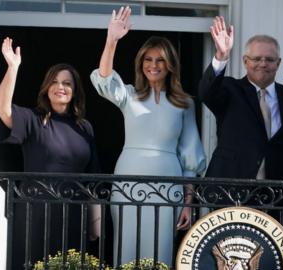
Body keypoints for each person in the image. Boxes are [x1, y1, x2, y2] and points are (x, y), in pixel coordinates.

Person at [90, 6, 206, 266]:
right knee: (127, 243)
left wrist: (188, 203)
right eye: (148, 60)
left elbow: (191, 156)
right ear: (141, 63)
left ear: (170, 65)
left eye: (160, 60)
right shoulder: (128, 95)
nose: (153, 65)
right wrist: (111, 40)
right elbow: (104, 81)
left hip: (169, 182)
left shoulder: (184, 103)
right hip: (128, 177)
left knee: (160, 247)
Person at [0, 37, 100, 268]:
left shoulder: (84, 127)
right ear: (47, 88)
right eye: (55, 82)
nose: (61, 87)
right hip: (35, 213)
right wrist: (13, 67)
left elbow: (94, 178)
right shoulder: (32, 119)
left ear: (75, 90)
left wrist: (96, 220)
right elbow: (2, 109)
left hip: (73, 213)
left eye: (67, 83)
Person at [198, 16, 283, 183]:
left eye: (269, 59)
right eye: (256, 58)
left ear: (278, 63)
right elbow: (206, 92)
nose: (263, 64)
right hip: (232, 187)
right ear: (245, 61)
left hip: (278, 192)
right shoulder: (230, 89)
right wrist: (221, 56)